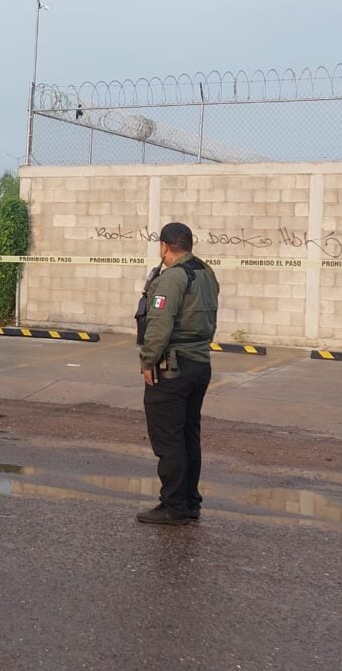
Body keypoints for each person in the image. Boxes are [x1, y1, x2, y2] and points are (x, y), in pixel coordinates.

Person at [135, 222, 220, 525]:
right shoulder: (206, 273)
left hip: (172, 367)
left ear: (164, 246)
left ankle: (173, 506)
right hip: (199, 364)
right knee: (188, 436)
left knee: (169, 439)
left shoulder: (173, 277)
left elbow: (159, 325)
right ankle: (189, 502)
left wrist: (148, 361)